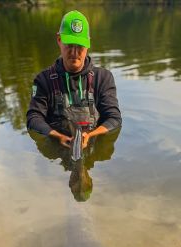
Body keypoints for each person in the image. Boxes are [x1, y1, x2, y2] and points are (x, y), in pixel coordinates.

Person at [26, 10, 122, 153]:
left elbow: (114, 119)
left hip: (92, 147)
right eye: (70, 45)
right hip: (58, 147)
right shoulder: (43, 80)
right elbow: (33, 119)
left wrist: (89, 136)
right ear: (59, 40)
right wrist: (58, 137)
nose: (74, 52)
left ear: (88, 44)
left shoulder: (103, 78)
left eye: (80, 46)